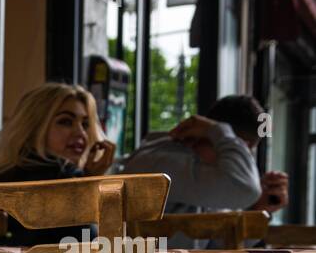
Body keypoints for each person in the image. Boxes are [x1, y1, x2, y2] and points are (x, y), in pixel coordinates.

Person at [0, 83, 116, 244]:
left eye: (85, 124)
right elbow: (91, 251)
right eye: (65, 122)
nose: (80, 133)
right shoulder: (65, 179)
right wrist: (88, 183)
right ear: (35, 127)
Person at [118, 94, 288, 220]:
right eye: (243, 152)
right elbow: (247, 190)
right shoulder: (161, 163)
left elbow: (214, 245)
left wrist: (257, 210)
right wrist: (222, 134)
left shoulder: (199, 173)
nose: (243, 159)